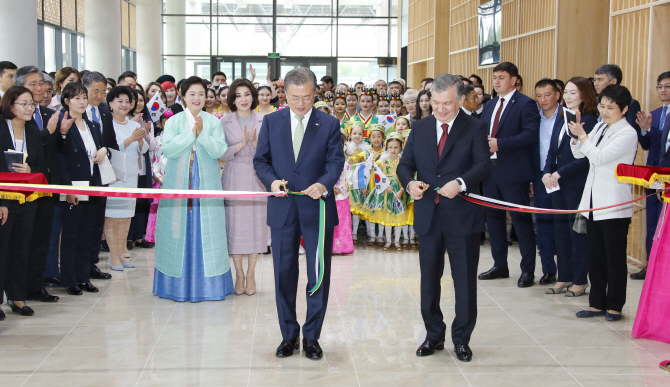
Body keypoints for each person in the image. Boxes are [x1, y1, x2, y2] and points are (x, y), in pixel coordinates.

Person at [397, 73, 490, 362]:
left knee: (464, 281)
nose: (440, 109)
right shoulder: (421, 127)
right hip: (428, 216)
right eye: (436, 102)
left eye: (447, 103)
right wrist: (409, 184)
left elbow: (483, 165)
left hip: (462, 216)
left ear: (460, 100)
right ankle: (433, 335)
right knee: (429, 281)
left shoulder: (474, 127)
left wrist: (460, 183)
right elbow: (405, 165)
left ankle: (461, 339)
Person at [254, 67, 344, 360]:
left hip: (316, 208)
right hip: (283, 209)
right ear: (285, 95)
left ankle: (312, 336)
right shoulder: (271, 122)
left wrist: (323, 183)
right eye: (295, 98)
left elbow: (335, 161)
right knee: (283, 273)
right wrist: (272, 181)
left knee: (318, 275)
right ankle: (288, 334)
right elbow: (261, 161)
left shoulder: (329, 123)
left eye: (307, 97)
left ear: (315, 93)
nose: (301, 103)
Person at [154, 76, 233, 302]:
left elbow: (219, 150)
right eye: (192, 94)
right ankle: (175, 286)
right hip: (178, 182)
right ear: (183, 96)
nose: (197, 98)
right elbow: (168, 150)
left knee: (208, 231)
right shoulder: (174, 122)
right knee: (176, 231)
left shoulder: (213, 121)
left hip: (206, 182)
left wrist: (202, 135)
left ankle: (210, 285)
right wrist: (191, 134)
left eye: (201, 94)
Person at [569, 84, 638, 321]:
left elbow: (599, 158)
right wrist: (576, 138)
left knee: (614, 258)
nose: (605, 111)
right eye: (602, 105)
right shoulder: (600, 126)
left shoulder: (627, 133)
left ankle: (615, 306)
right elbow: (580, 154)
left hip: (614, 205)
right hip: (593, 203)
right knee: (595, 256)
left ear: (624, 108)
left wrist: (583, 137)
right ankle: (596, 303)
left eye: (611, 107)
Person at [478, 62, 540, 287]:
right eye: (494, 77)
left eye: (501, 77)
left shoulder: (526, 104)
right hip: (490, 172)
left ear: (514, 80)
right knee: (493, 220)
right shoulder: (490, 104)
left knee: (521, 221)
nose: (496, 81)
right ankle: (499, 265)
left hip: (514, 171)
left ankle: (528, 271)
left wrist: (499, 144)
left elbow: (531, 135)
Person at [540, 77, 598, 296]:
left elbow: (585, 158)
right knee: (561, 231)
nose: (568, 97)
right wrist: (547, 172)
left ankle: (580, 279)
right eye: (567, 93)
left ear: (584, 95)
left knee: (577, 234)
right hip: (556, 185)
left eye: (574, 93)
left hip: (575, 183)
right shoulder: (561, 117)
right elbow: (552, 151)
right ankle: (564, 276)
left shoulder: (590, 120)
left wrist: (559, 173)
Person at [14, 66, 62, 301]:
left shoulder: (45, 113)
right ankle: (17, 290)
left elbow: (53, 153)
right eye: (34, 84)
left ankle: (36, 285)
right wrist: (49, 133)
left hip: (45, 185)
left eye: (42, 83)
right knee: (23, 240)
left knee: (42, 238)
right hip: (21, 188)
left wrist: (59, 133)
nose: (40, 88)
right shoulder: (12, 117)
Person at [57, 82, 108, 296]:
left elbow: (102, 149)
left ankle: (83, 276)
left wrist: (104, 150)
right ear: (67, 101)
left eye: (84, 98)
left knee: (88, 233)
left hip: (93, 184)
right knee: (71, 235)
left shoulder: (92, 125)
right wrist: (68, 188)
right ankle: (69, 279)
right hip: (73, 186)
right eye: (77, 98)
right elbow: (58, 157)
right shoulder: (63, 125)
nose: (82, 102)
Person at [219, 78, 268, 296]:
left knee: (255, 227)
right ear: (232, 99)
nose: (243, 99)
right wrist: (239, 145)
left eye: (247, 94)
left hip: (257, 177)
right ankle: (238, 274)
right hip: (233, 175)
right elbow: (219, 153)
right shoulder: (224, 121)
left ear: (253, 96)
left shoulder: (265, 120)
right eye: (238, 95)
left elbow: (271, 154)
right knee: (235, 227)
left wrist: (256, 144)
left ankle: (251, 275)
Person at [0, 86, 46, 316]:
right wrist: (2, 202)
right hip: (2, 201)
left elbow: (40, 165)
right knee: (2, 250)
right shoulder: (0, 128)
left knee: (21, 248)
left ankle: (17, 297)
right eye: (24, 104)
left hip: (27, 200)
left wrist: (30, 169)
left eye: (32, 104)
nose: (30, 108)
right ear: (10, 106)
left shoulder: (33, 130)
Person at [104, 86, 149, 271]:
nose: (124, 105)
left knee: (125, 218)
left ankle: (122, 254)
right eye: (119, 101)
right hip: (114, 177)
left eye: (127, 101)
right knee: (112, 218)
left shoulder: (134, 124)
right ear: (110, 103)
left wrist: (139, 139)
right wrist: (131, 139)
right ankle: (113, 256)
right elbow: (111, 149)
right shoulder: (107, 124)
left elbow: (144, 149)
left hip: (131, 176)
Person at [631, 71, 670, 280]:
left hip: (668, 177)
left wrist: (650, 130)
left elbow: (666, 143)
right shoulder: (654, 113)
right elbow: (646, 145)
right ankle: (649, 265)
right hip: (653, 175)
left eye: (667, 86)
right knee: (652, 222)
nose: (663, 90)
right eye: (660, 86)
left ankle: (663, 269)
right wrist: (644, 131)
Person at [82, 71, 117, 281]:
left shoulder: (105, 111)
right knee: (82, 224)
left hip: (101, 175)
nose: (100, 95)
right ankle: (79, 267)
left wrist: (106, 150)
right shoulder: (76, 111)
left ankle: (92, 264)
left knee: (96, 222)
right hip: (81, 176)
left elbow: (110, 142)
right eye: (96, 90)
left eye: (103, 91)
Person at [367, 132, 411, 251]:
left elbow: (407, 177)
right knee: (387, 218)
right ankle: (388, 241)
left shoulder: (403, 161)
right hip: (386, 191)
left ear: (401, 147)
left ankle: (397, 241)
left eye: (396, 147)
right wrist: (385, 186)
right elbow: (378, 177)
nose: (393, 150)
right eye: (390, 147)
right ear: (386, 146)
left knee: (398, 218)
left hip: (399, 190)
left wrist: (402, 190)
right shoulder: (382, 161)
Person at [593, 64, 641, 132]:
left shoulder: (631, 104)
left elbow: (632, 131)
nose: (595, 84)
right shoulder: (594, 101)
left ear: (613, 81)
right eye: (594, 80)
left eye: (599, 79)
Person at [345, 122, 371, 242]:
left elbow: (366, 168)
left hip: (359, 183)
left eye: (360, 134)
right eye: (354, 133)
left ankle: (355, 233)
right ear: (349, 134)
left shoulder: (366, 150)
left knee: (357, 208)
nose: (357, 136)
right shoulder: (346, 149)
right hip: (347, 182)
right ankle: (347, 233)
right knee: (347, 209)